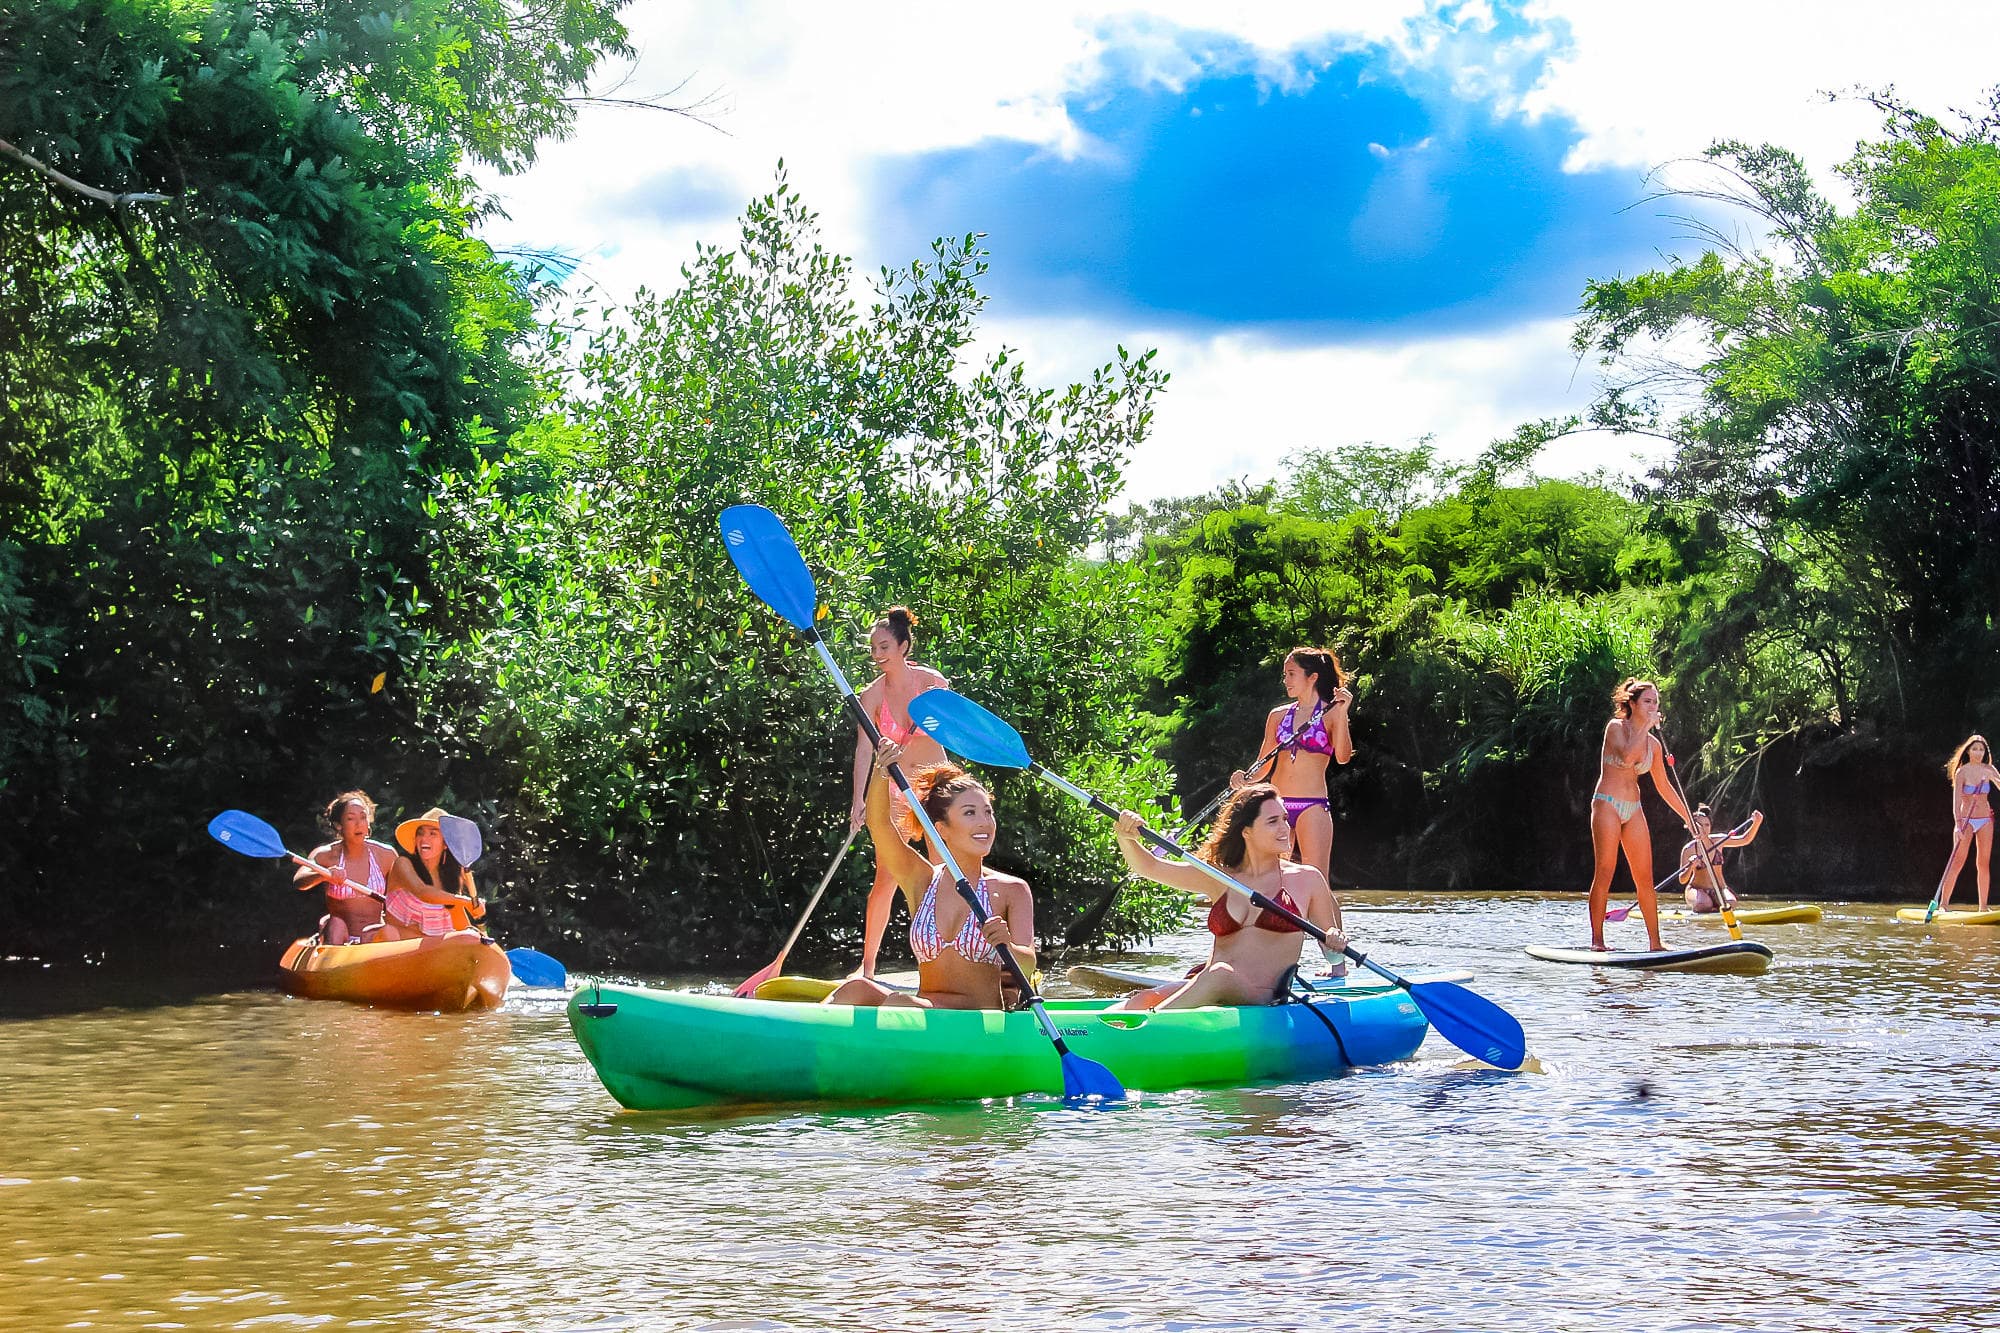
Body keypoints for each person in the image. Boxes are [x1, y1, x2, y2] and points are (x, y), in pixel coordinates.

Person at [823, 740, 1034, 1010]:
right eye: (970, 813)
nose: (985, 822)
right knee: (855, 989)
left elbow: (1028, 964)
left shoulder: (1012, 889)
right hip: (924, 1008)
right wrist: (881, 770)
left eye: (988, 812)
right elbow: (880, 825)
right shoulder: (923, 880)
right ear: (941, 829)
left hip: (975, 1018)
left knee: (900, 1002)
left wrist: (1007, 946)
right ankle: (800, 1030)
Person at [1107, 784, 1346, 1011]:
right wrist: (1125, 836)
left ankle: (1148, 1027)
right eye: (1273, 821)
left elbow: (1334, 957)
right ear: (1246, 831)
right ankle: (1095, 1029)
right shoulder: (1219, 877)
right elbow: (1149, 867)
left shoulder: (1307, 879)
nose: (1285, 828)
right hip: (1212, 981)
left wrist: (1334, 944)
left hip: (1262, 997)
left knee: (1220, 974)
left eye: (1285, 819)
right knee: (1144, 999)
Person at [847, 606, 950, 978]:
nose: (877, 654)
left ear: (904, 646)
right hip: (895, 791)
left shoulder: (932, 682)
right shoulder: (871, 695)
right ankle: (867, 969)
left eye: (884, 646)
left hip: (936, 788)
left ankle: (945, 963)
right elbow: (864, 750)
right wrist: (858, 801)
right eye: (873, 648)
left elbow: (949, 728)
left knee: (943, 874)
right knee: (885, 879)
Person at [1231, 647, 1353, 938]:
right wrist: (1244, 780)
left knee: (1318, 882)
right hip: (1278, 807)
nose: (1285, 680)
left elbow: (1343, 757)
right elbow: (1264, 764)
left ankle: (1336, 953)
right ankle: (1274, 948)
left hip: (1313, 806)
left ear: (1312, 677)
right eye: (1285, 674)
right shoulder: (1277, 716)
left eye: (1291, 674)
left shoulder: (1331, 713)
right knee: (1275, 880)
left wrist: (1342, 713)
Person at [1586, 678, 1694, 950]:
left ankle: (1655, 943)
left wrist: (1688, 817)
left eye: (1655, 702)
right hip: (1607, 804)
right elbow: (1626, 757)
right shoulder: (1615, 728)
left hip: (1633, 808)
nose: (1653, 706)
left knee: (1645, 878)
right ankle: (1598, 941)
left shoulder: (1654, 746)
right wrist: (1646, 725)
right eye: (1647, 701)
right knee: (1605, 871)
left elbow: (1664, 787)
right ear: (1632, 704)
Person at [292, 790, 394, 944]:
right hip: (340, 938)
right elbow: (299, 881)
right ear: (338, 825)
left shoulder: (386, 854)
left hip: (372, 937)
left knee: (387, 931)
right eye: (351, 819)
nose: (359, 824)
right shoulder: (325, 855)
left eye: (363, 817)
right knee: (336, 924)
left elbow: (404, 893)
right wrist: (324, 874)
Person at [374, 807, 484, 942]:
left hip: (433, 950)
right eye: (420, 833)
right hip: (398, 948)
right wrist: (466, 902)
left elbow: (461, 926)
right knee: (387, 932)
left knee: (471, 936)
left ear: (445, 844)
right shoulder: (402, 863)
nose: (424, 839)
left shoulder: (449, 880)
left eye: (433, 834)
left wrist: (479, 937)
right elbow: (422, 891)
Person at [1938, 734, 1996, 912]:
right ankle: (1943, 904)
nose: (1978, 752)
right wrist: (1958, 826)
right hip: (1965, 820)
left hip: (1985, 819)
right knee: (1957, 861)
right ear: (1968, 751)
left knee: (1983, 863)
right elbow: (1956, 803)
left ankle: (1983, 907)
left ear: (1985, 752)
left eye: (1981, 749)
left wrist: (1993, 778)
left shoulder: (1989, 769)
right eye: (1975, 749)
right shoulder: (1962, 772)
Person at [1678, 805, 1765, 913]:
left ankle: (1715, 906)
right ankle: (1706, 906)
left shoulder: (1719, 840)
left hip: (1719, 889)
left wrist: (1756, 823)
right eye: (1700, 825)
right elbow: (1682, 879)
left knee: (1731, 903)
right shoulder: (1688, 849)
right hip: (1696, 889)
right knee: (1704, 905)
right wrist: (1691, 866)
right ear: (1692, 827)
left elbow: (1745, 839)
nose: (1704, 828)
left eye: (1707, 825)